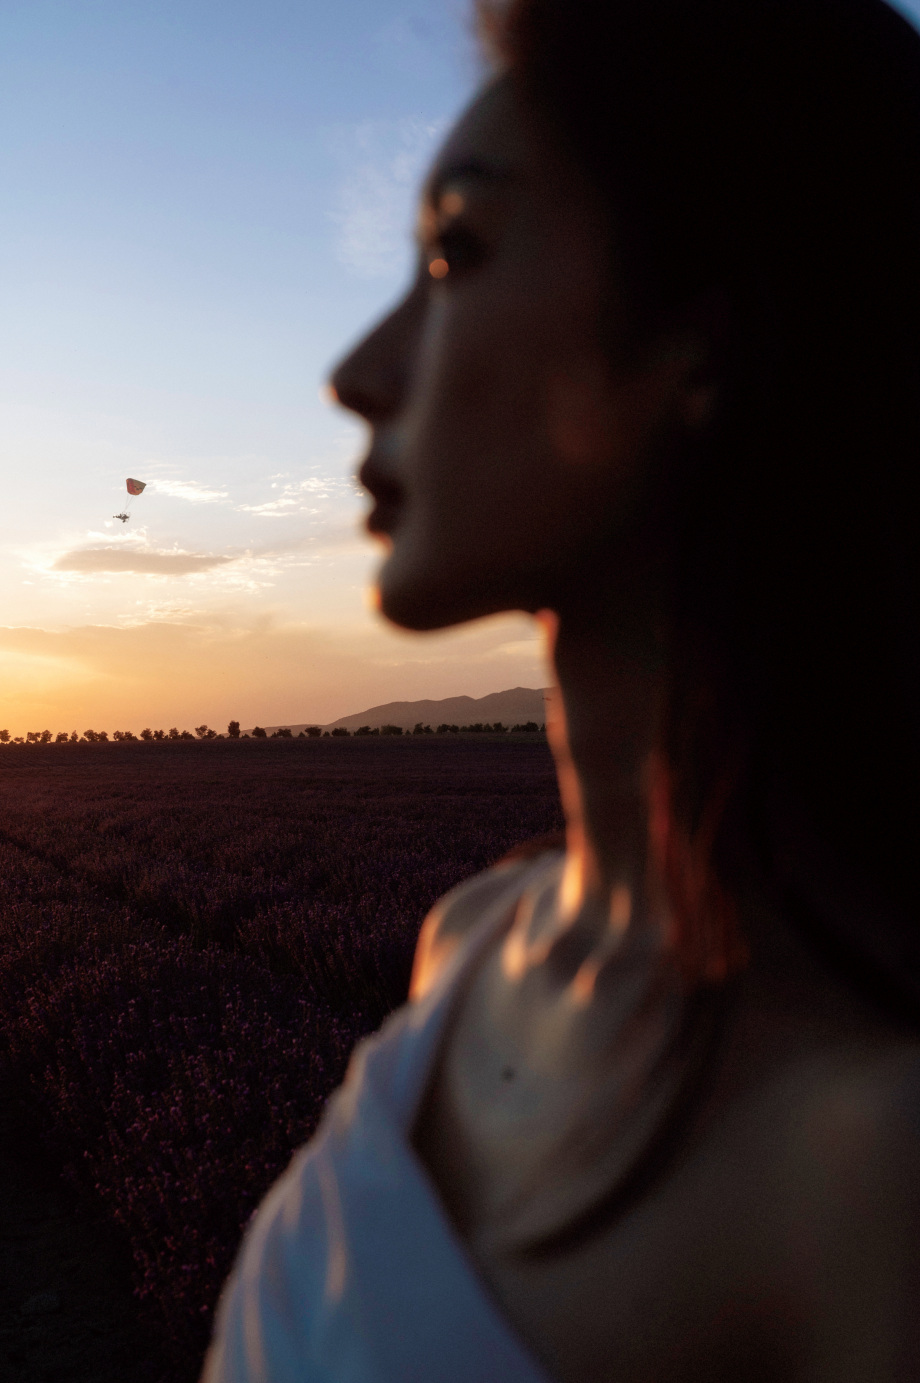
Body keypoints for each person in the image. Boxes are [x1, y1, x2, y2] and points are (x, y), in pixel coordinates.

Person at [202, 0, 920, 1377]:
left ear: (700, 342)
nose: (356, 376)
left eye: (456, 253)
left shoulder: (866, 1167)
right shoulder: (470, 937)